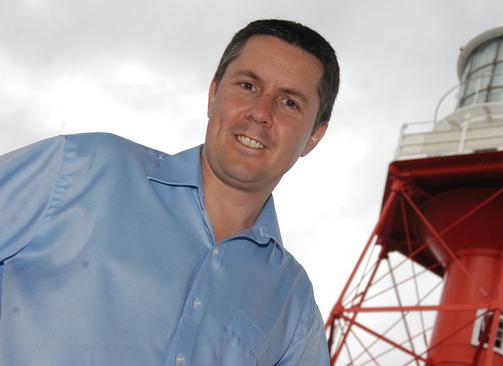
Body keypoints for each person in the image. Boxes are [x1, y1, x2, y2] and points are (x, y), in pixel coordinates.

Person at [0, 19, 339, 366]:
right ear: (213, 95)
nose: (260, 112)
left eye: (289, 103)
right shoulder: (82, 168)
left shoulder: (293, 307)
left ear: (313, 137)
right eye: (248, 85)